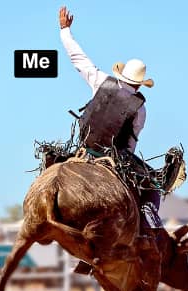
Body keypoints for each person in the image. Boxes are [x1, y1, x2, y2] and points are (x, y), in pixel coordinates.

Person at [58, 7, 162, 243]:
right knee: (153, 184)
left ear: (121, 74)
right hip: (114, 158)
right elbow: (130, 144)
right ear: (140, 85)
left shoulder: (101, 81)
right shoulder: (140, 109)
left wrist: (65, 31)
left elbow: (78, 59)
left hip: (83, 151)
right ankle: (146, 228)